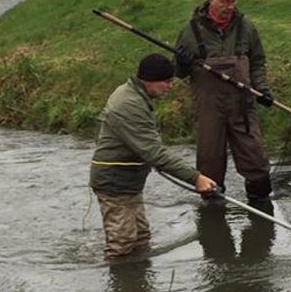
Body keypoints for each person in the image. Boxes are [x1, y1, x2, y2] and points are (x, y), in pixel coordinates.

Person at [89, 53, 217, 259]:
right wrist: (195, 178)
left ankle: (141, 286)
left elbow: (146, 147)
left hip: (129, 180)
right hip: (113, 181)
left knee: (140, 239)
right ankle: (121, 287)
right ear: (149, 80)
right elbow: (155, 152)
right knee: (121, 244)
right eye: (166, 82)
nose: (170, 86)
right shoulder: (129, 104)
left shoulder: (136, 95)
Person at [174, 0, 274, 207]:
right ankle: (213, 214)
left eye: (233, 2)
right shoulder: (190, 31)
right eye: (225, 2)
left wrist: (263, 90)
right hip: (208, 107)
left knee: (255, 158)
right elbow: (178, 72)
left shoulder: (247, 27)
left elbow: (257, 62)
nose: (230, 7)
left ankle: (261, 206)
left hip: (242, 104)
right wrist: (184, 62)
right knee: (210, 161)